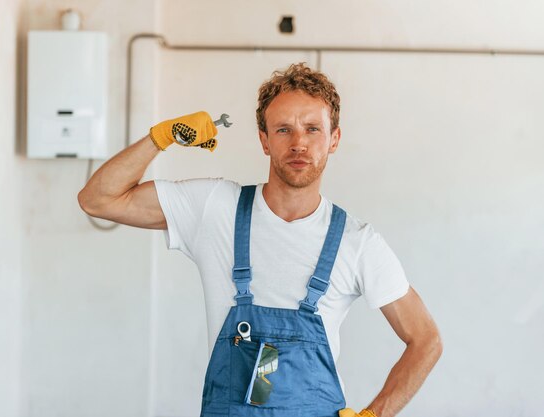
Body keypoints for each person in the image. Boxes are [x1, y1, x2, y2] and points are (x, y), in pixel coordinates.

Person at [77, 63, 442, 417]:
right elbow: (98, 199)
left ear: (334, 139)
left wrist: (373, 415)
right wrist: (162, 137)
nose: (299, 143)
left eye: (313, 129)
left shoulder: (357, 241)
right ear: (264, 141)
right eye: (283, 129)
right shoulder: (214, 209)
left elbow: (425, 340)